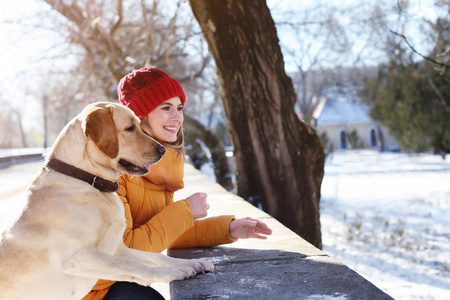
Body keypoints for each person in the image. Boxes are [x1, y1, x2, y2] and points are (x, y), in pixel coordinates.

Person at [82, 68, 272, 300]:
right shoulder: (119, 170)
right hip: (90, 288)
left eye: (179, 107)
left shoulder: (161, 166)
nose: (178, 117)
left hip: (119, 280)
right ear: (140, 116)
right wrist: (185, 210)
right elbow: (127, 250)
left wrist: (228, 228)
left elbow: (163, 231)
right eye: (166, 108)